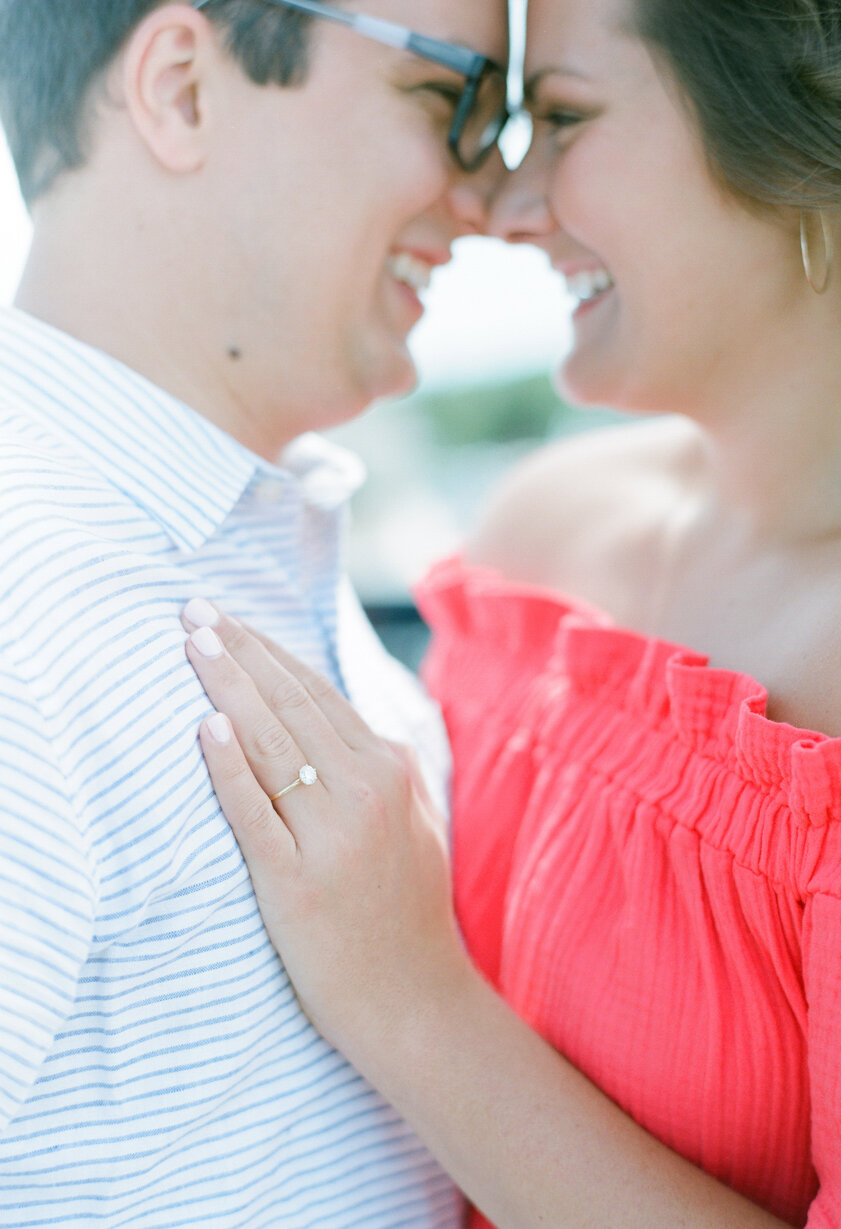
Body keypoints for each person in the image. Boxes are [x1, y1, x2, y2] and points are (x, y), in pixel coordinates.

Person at [179, 0, 841, 1226]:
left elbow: (396, 970)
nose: (503, 208)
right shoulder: (537, 539)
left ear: (798, 133)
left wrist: (415, 1001)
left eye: (564, 117)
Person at [0, 0, 509, 1223]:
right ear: (181, 87)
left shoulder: (250, 541)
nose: (488, 197)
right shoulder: (24, 606)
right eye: (452, 102)